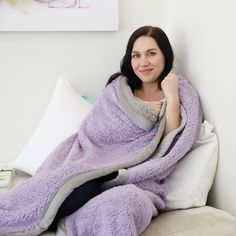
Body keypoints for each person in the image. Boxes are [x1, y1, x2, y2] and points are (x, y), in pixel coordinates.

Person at [47, 25, 181, 232]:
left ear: (165, 55)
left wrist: (171, 97)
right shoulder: (118, 89)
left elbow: (170, 143)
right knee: (75, 188)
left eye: (151, 54)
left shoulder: (178, 92)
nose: (143, 62)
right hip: (96, 165)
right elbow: (95, 131)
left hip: (133, 176)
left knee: (120, 201)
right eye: (136, 55)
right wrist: (140, 111)